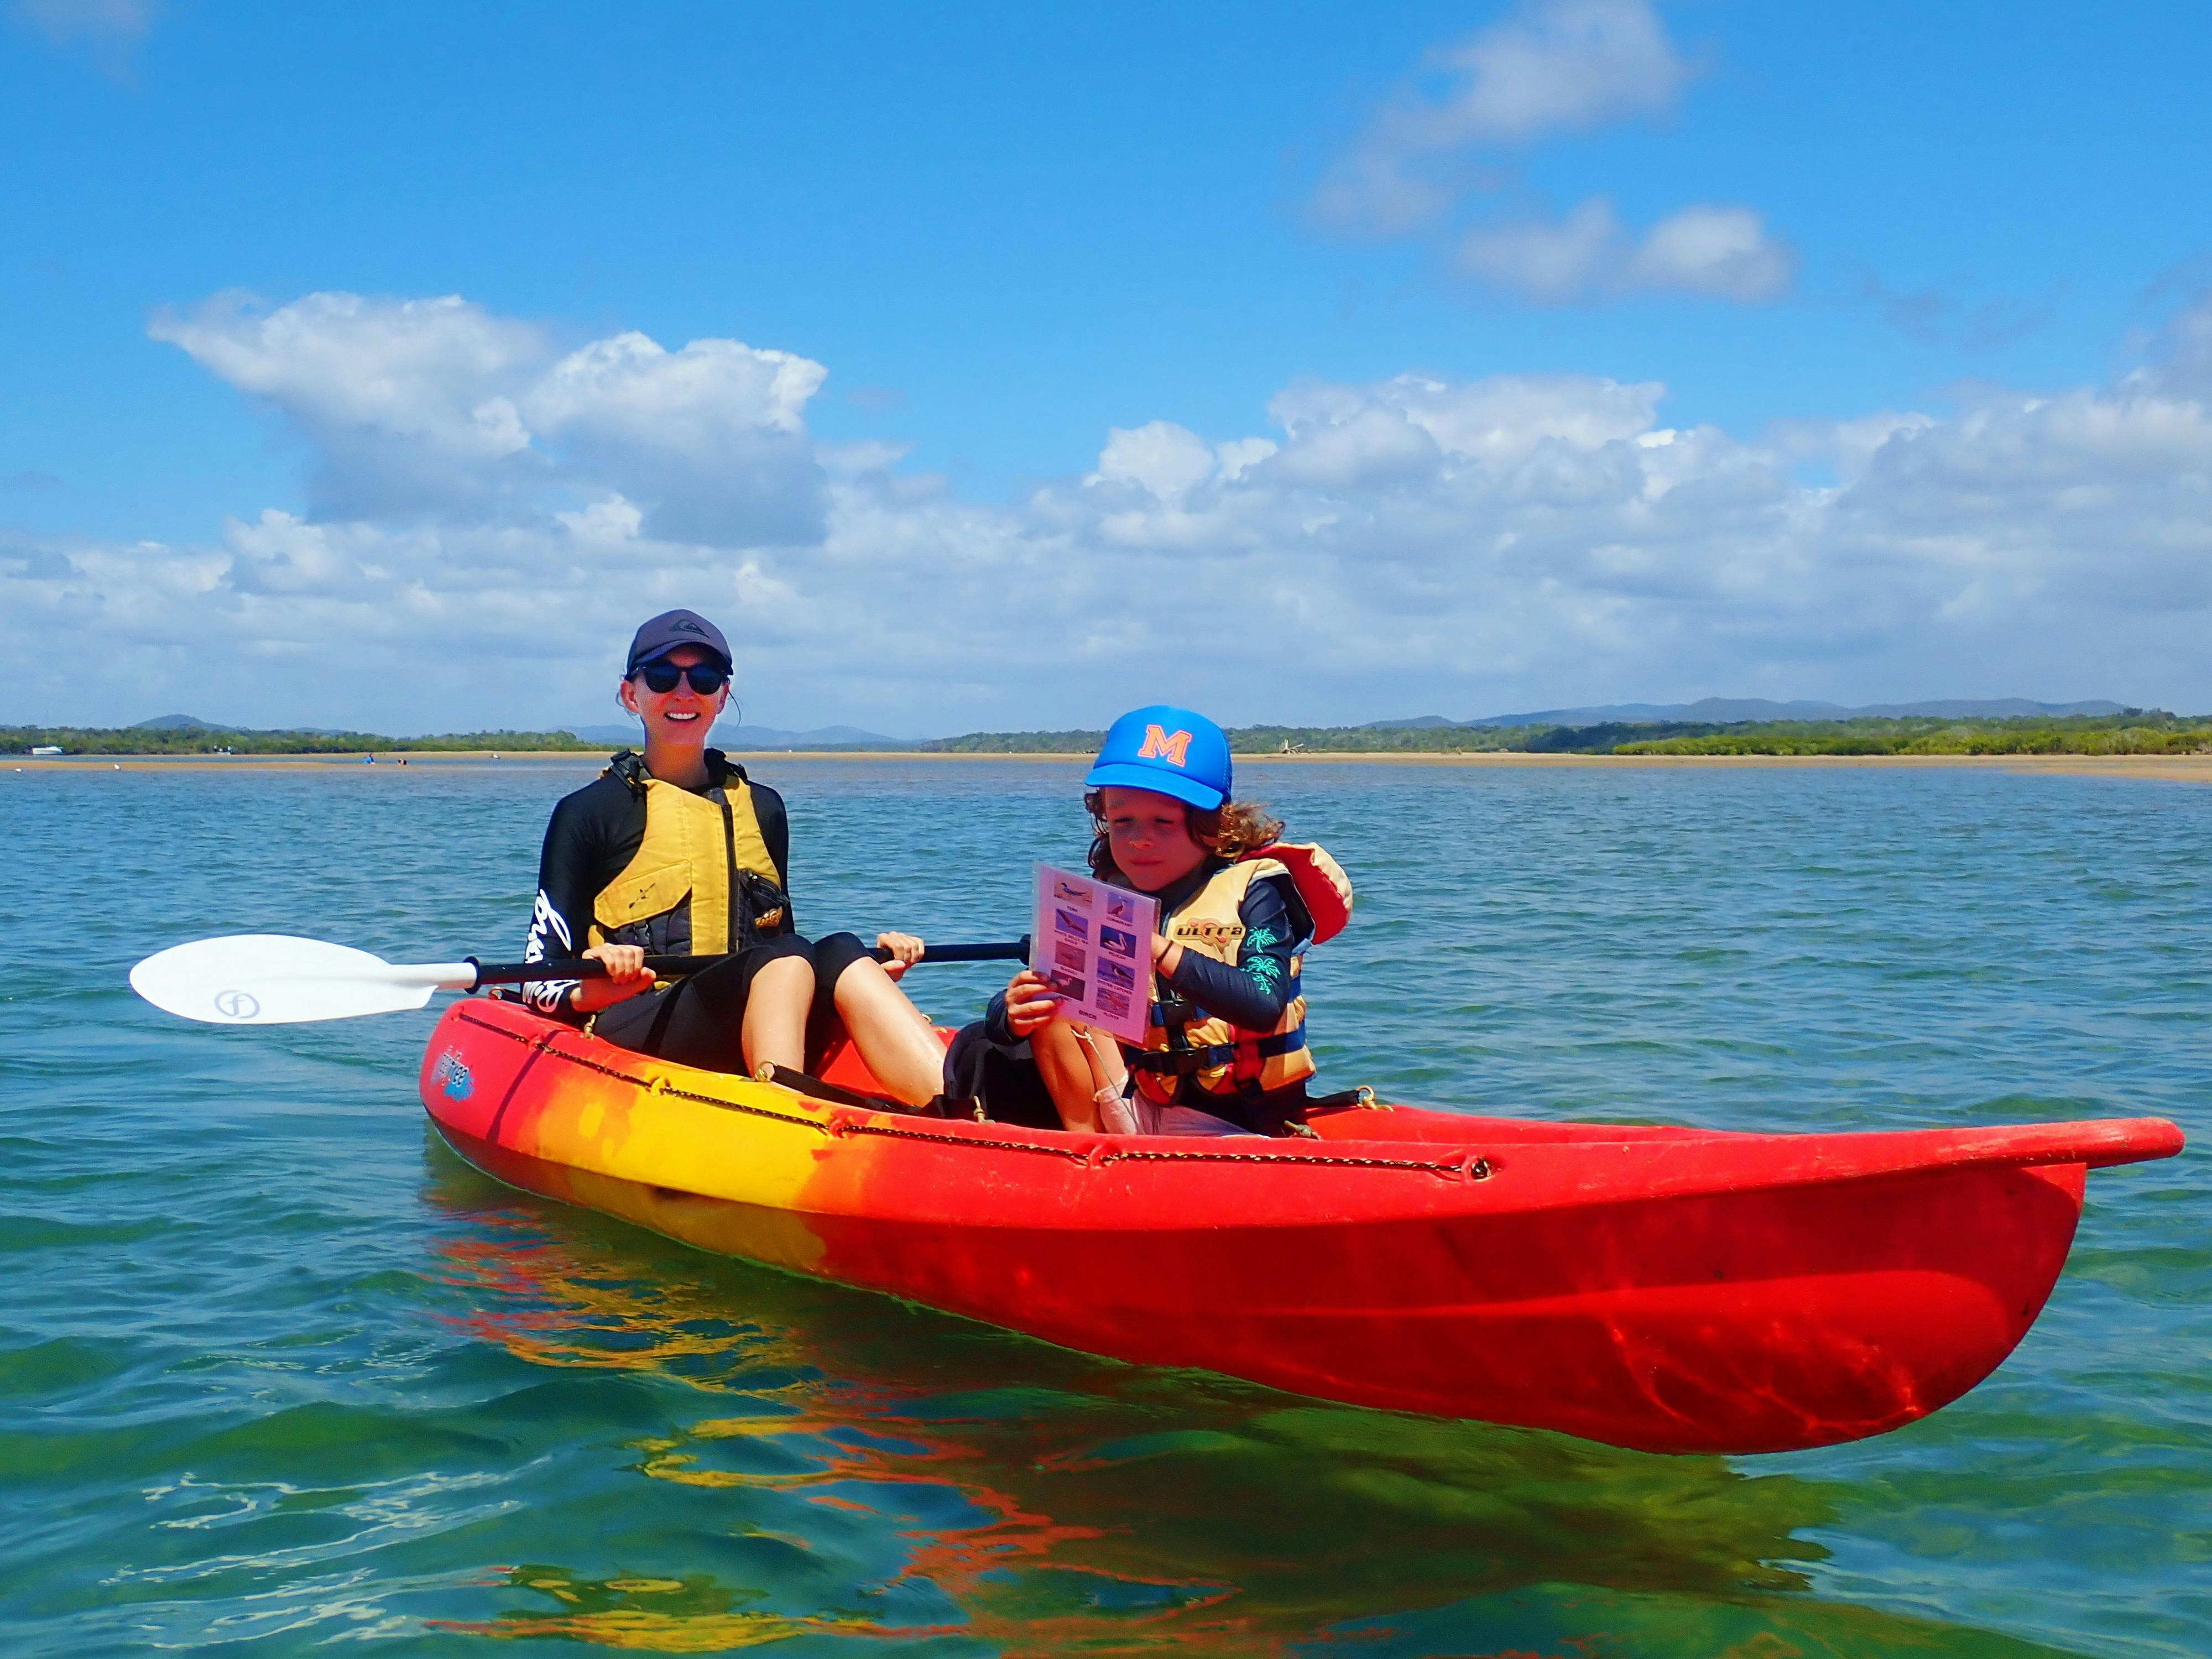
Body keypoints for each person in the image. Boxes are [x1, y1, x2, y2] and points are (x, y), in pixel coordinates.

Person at [519, 608, 950, 1105]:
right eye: (663, 676)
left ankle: (958, 1109)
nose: (684, 693)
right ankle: (785, 1115)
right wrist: (594, 973)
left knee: (838, 951)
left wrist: (863, 977)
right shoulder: (588, 813)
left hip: (747, 1019)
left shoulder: (763, 807)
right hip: (643, 1020)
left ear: (722, 697)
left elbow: (781, 943)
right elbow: (539, 975)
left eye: (703, 679)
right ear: (630, 694)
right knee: (789, 957)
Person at [952, 705, 1352, 1136]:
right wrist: (1010, 1015)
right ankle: (1084, 1162)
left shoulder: (1258, 892)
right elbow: (1023, 1007)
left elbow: (1262, 1004)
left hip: (1239, 1123)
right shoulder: (1110, 894)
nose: (1141, 839)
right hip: (1140, 1109)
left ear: (1212, 824)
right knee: (1027, 1015)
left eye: (1164, 821)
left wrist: (1155, 946)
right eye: (1123, 821)